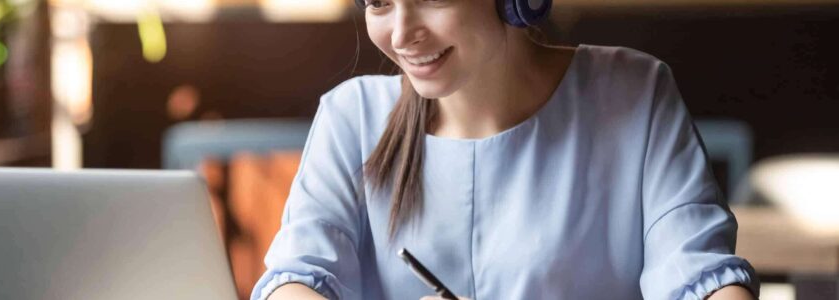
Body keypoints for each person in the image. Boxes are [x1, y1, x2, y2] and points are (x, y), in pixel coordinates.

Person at [251, 0, 759, 299]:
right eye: (379, 1)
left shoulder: (635, 91)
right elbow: (300, 276)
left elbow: (698, 274)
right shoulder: (351, 115)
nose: (401, 33)